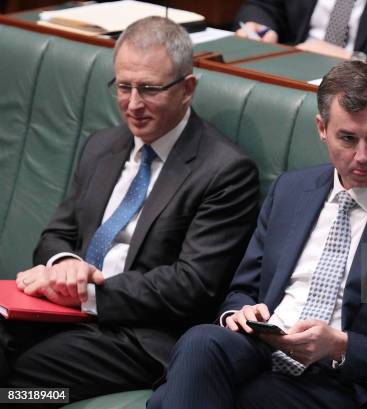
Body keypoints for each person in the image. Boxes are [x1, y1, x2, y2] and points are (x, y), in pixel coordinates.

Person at [148, 61, 367, 409]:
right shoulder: (290, 190)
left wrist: (341, 345)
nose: (363, 156)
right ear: (322, 128)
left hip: (344, 384)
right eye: (347, 138)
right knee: (201, 342)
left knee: (187, 396)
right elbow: (243, 289)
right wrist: (239, 313)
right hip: (263, 350)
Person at [1, 16, 259, 404]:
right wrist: (66, 264)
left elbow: (191, 286)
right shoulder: (102, 146)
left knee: (24, 379)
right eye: (124, 87)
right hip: (61, 314)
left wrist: (86, 293)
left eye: (150, 89)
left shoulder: (225, 171)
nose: (134, 104)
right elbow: (55, 235)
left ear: (187, 88)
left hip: (138, 336)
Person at [235, 0, 367, 67]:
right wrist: (260, 24)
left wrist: (354, 59)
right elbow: (262, 4)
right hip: (289, 65)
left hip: (363, 83)